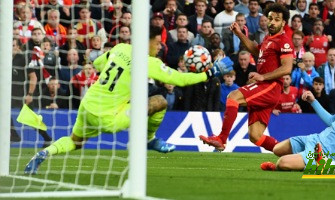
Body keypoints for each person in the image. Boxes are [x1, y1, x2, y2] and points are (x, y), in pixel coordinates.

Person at [24, 26, 234, 175]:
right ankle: (149, 139)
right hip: (110, 116)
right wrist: (210, 73)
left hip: (88, 105)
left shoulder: (119, 48)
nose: (160, 47)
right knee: (159, 101)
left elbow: (97, 63)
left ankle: (44, 153)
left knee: (75, 141)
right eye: (157, 43)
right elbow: (178, 78)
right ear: (147, 41)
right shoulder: (147, 61)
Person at [199, 3, 293, 152]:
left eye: (277, 19)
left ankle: (222, 139)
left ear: (283, 23)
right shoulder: (269, 39)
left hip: (271, 86)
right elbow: (256, 51)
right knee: (255, 136)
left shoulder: (283, 40)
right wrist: (239, 34)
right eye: (270, 18)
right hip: (266, 87)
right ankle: (294, 155)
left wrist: (263, 77)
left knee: (233, 96)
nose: (272, 22)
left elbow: (287, 68)